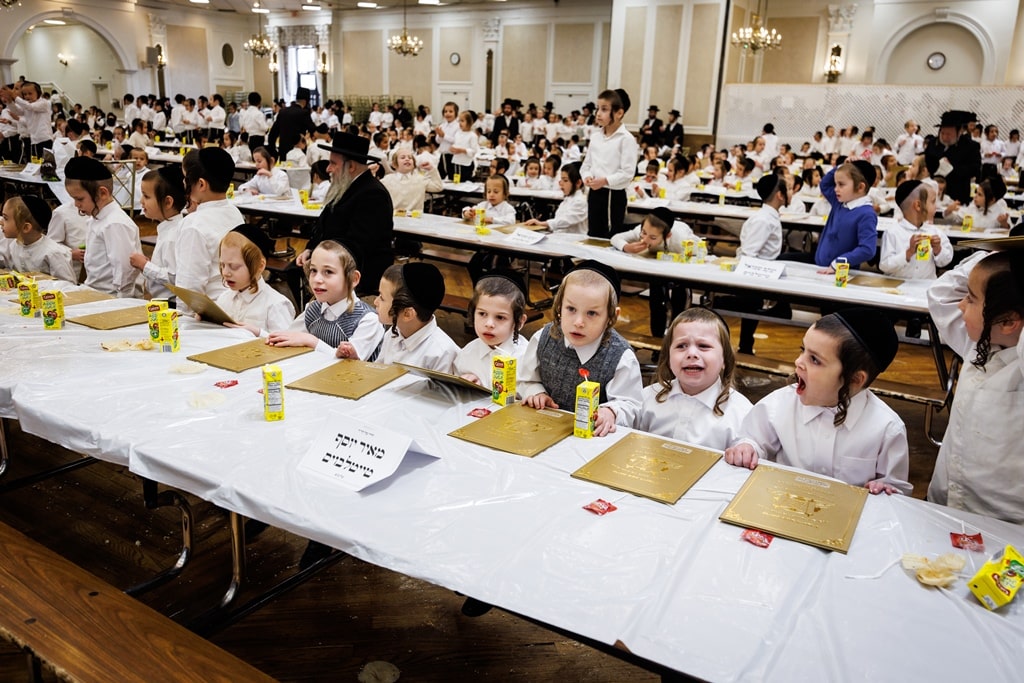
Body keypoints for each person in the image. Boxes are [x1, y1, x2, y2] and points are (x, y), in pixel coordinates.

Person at [724, 309, 911, 494]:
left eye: (814, 359)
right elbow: (754, 438)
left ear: (855, 379)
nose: (798, 362)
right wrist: (747, 447)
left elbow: (896, 489)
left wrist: (886, 488)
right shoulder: (779, 404)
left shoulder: (887, 429)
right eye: (802, 350)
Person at [926, 249, 1024, 523]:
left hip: (1003, 524)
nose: (960, 304)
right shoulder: (977, 343)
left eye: (970, 298)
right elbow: (941, 293)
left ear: (1008, 321)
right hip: (946, 501)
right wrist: (994, 254)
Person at [519, 261, 643, 436]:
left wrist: (611, 412)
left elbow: (631, 405)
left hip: (593, 441)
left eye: (591, 313)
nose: (578, 322)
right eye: (571, 309)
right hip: (542, 430)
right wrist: (535, 392)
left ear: (612, 316)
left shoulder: (621, 356)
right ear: (559, 306)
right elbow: (526, 379)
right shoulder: (543, 338)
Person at [635, 308, 752, 451]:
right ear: (668, 357)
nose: (691, 354)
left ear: (724, 360)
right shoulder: (647, 397)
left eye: (703, 346)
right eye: (681, 346)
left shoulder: (742, 413)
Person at [298, 132, 394, 296]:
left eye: (333, 163)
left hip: (358, 271)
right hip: (333, 262)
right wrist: (310, 249)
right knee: (294, 271)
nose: (328, 169)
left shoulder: (373, 194)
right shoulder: (345, 186)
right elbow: (323, 225)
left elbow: (358, 243)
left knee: (301, 275)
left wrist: (319, 259)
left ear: (351, 167)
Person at [267, 240, 384, 361]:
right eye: (313, 270)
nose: (317, 279)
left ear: (353, 279)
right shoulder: (313, 308)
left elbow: (350, 362)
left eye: (328, 272)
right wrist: (257, 331)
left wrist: (312, 341)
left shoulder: (368, 319)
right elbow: (288, 336)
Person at [175, 147, 245, 311]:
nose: (184, 184)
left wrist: (183, 325)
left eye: (186, 179)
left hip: (209, 313)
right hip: (235, 305)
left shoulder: (194, 225)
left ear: (200, 184)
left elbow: (189, 288)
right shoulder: (234, 212)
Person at [63, 156, 141, 297]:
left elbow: (124, 272)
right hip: (95, 293)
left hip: (112, 299)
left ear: (102, 193)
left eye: (79, 199)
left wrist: (122, 305)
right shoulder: (96, 218)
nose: (76, 204)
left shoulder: (115, 224)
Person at [611, 207, 693, 337]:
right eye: (644, 233)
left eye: (653, 237)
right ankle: (657, 336)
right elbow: (616, 238)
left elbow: (699, 252)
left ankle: (676, 336)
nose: (646, 239)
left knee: (679, 297)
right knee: (656, 298)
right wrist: (626, 247)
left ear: (667, 236)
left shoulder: (681, 238)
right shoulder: (641, 230)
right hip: (655, 265)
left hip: (678, 267)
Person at [369, 262, 458, 371]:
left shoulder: (442, 354)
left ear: (407, 314)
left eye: (382, 298)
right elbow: (378, 372)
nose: (375, 301)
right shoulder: (393, 333)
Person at [212, 228, 294, 337]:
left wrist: (259, 333)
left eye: (234, 267)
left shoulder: (276, 305)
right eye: (222, 265)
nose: (226, 273)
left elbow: (287, 345)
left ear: (260, 266)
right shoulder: (224, 298)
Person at [454, 273, 530, 386]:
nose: (489, 324)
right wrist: (467, 384)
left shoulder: (526, 358)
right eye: (482, 314)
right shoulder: (466, 353)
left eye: (500, 317)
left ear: (519, 322)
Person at [580, 88, 637, 238]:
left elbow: (627, 173)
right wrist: (586, 176)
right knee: (593, 234)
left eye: (604, 109)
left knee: (609, 236)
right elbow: (586, 165)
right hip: (594, 192)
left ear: (619, 113)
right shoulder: (596, 136)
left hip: (613, 195)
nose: (598, 113)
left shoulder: (626, 139)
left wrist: (605, 180)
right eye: (598, 108)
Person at [809, 161, 878, 271]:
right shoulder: (839, 202)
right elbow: (824, 184)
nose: (836, 189)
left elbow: (867, 249)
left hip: (843, 273)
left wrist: (839, 263)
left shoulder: (866, 214)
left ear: (860, 187)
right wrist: (841, 165)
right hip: (822, 267)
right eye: (836, 184)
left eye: (841, 184)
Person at [129, 166, 186, 300]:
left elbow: (174, 277)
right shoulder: (167, 229)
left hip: (170, 304)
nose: (141, 201)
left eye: (147, 196)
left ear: (167, 202)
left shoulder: (173, 235)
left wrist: (145, 266)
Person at [879, 180, 952, 280]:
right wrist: (908, 253)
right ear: (918, 205)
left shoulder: (935, 232)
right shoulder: (893, 232)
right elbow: (885, 265)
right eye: (933, 201)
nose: (936, 206)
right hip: (899, 287)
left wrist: (938, 249)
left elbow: (946, 260)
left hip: (925, 288)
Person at [0, 195, 75, 283]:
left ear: (26, 227)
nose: (1, 222)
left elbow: (68, 285)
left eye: (5, 218)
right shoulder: (12, 245)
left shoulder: (54, 253)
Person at [925, 110, 981, 205]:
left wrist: (952, 169)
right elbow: (927, 163)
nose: (945, 137)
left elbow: (975, 168)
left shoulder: (971, 146)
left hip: (957, 194)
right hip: (934, 193)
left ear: (959, 132)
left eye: (949, 134)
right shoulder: (933, 143)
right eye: (942, 133)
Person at [525, 162, 587, 234]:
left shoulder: (580, 201)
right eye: (561, 180)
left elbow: (565, 221)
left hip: (574, 241)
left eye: (565, 180)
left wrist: (542, 223)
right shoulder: (567, 200)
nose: (561, 183)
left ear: (578, 183)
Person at [381, 148, 443, 214]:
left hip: (415, 219)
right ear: (394, 164)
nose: (407, 159)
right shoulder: (387, 180)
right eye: (402, 157)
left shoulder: (421, 179)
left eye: (410, 158)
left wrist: (432, 169)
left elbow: (438, 187)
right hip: (394, 218)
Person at [267, 87, 315, 164]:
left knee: (284, 173)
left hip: (283, 151)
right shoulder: (304, 113)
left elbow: (273, 133)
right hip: (299, 151)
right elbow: (313, 130)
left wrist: (273, 150)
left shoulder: (283, 111)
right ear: (306, 101)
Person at [943, 176, 1010, 231]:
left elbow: (1009, 233)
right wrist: (948, 211)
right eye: (976, 193)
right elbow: (956, 220)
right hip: (969, 242)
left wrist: (1004, 224)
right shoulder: (972, 207)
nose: (975, 196)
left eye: (980, 195)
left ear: (992, 199)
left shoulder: (1001, 212)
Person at [449, 110, 478, 183]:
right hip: (456, 161)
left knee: (465, 182)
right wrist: (452, 148)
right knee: (456, 182)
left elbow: (474, 151)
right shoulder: (457, 133)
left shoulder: (472, 136)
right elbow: (456, 144)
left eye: (462, 121)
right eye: (459, 121)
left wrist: (463, 150)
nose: (460, 123)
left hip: (466, 163)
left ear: (469, 122)